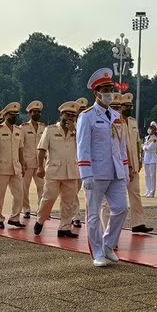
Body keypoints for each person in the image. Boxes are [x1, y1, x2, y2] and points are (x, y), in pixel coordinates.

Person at [76, 68, 129, 267]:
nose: (109, 92)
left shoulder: (116, 115)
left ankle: (108, 244)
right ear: (95, 92)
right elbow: (82, 146)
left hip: (115, 171)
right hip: (96, 172)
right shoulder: (87, 116)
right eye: (105, 89)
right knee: (93, 214)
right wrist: (85, 173)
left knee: (121, 209)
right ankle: (97, 252)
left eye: (110, 88)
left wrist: (125, 169)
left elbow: (121, 145)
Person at [34, 101, 80, 238]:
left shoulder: (77, 131)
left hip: (71, 170)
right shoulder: (51, 130)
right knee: (49, 198)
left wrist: (75, 131)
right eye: (68, 114)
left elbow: (84, 145)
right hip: (54, 171)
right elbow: (41, 150)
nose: (70, 118)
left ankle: (64, 227)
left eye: (73, 115)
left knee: (69, 202)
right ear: (61, 115)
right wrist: (40, 167)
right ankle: (40, 220)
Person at [0, 102, 26, 229]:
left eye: (16, 114)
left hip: (15, 167)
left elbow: (20, 149)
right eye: (11, 114)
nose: (14, 116)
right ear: (5, 115)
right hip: (1, 168)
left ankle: (15, 218)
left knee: (20, 193)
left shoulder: (18, 130)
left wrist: (23, 163)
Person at [121, 93, 153, 233]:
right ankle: (114, 226)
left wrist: (139, 160)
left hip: (133, 164)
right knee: (118, 198)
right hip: (121, 165)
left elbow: (137, 142)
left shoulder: (133, 121)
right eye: (126, 106)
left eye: (130, 106)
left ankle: (138, 223)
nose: (129, 108)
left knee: (135, 194)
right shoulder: (115, 122)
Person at [21, 100, 46, 219]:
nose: (37, 114)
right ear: (29, 114)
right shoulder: (23, 128)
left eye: (39, 112)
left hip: (40, 163)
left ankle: (41, 210)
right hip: (27, 161)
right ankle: (26, 209)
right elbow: (20, 146)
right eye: (34, 112)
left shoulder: (43, 127)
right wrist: (21, 161)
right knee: (24, 187)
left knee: (42, 187)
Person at [71, 97, 89, 229]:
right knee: (72, 192)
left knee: (88, 192)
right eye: (80, 109)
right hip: (72, 163)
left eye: (84, 109)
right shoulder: (68, 125)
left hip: (86, 163)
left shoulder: (88, 123)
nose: (82, 111)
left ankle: (89, 218)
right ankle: (75, 216)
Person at [142, 122, 157, 197]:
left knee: (152, 176)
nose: (149, 129)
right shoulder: (146, 138)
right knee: (147, 175)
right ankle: (147, 190)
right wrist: (144, 147)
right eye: (150, 127)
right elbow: (144, 147)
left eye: (151, 128)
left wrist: (144, 146)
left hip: (152, 158)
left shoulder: (155, 138)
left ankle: (152, 192)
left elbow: (150, 148)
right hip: (146, 158)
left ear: (154, 130)